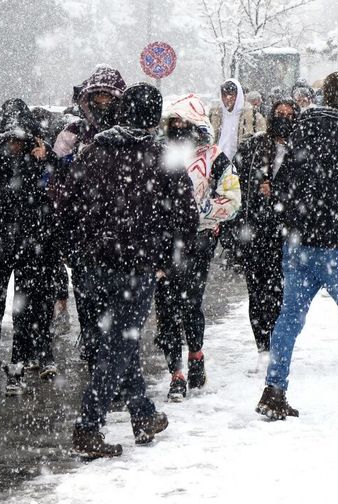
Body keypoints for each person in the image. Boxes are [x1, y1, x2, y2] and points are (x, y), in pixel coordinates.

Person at [58, 83, 197, 458]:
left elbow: (63, 208)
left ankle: (143, 414)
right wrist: (168, 262)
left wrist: (77, 254)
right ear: (153, 117)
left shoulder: (92, 153)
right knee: (119, 347)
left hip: (94, 267)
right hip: (137, 267)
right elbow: (187, 217)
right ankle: (88, 426)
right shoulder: (161, 156)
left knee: (119, 341)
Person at [255, 70, 338, 420]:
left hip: (300, 243)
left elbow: (283, 184)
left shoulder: (301, 132)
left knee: (289, 317)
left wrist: (296, 220)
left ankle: (274, 389)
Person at [0, 99, 58, 395]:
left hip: (30, 247)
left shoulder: (40, 162)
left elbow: (59, 192)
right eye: (9, 140)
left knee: (23, 309)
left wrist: (47, 158)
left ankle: (17, 365)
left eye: (20, 140)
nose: (14, 146)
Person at [157, 94, 242, 401]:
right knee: (166, 307)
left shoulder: (215, 158)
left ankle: (195, 356)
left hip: (199, 241)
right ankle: (175, 373)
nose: (178, 127)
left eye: (184, 122)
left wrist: (198, 213)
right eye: (173, 122)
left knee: (191, 302)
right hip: (164, 244)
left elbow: (232, 200)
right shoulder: (161, 155)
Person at [52, 66, 127, 368]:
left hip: (121, 230)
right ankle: (92, 340)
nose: (102, 103)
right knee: (85, 292)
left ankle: (111, 348)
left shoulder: (131, 134)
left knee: (116, 296)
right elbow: (56, 181)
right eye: (97, 96)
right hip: (82, 229)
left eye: (109, 97)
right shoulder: (73, 135)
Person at [231, 99, 298, 363]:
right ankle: (262, 344)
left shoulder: (300, 148)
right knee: (257, 290)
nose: (284, 118)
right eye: (279, 114)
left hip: (285, 231)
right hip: (256, 230)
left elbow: (307, 188)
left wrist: (279, 192)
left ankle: (278, 342)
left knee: (280, 292)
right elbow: (238, 180)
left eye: (289, 115)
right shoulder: (255, 145)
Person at [210, 79, 265, 159]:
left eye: (231, 94)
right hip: (217, 163)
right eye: (224, 95)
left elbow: (262, 142)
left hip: (242, 163)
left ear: (238, 95)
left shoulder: (254, 117)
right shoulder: (214, 115)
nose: (228, 98)